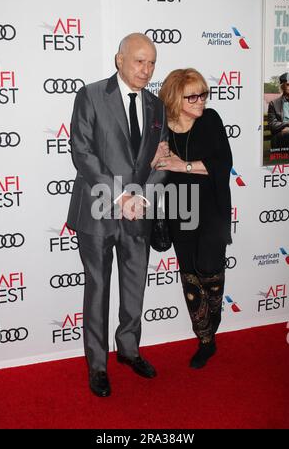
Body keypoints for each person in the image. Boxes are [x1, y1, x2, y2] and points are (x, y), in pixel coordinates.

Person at [67, 33, 169, 397]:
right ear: (119, 59)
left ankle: (128, 350)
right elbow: (82, 152)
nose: (146, 69)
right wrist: (120, 194)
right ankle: (97, 365)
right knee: (98, 288)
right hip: (98, 209)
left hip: (138, 211)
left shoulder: (157, 106)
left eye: (152, 62)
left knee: (134, 286)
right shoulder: (91, 95)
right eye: (139, 61)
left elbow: (161, 158)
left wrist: (139, 196)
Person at [154, 68, 232, 369]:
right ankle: (206, 340)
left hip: (211, 206)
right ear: (175, 98)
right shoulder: (163, 128)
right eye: (192, 96)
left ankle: (213, 320)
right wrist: (159, 158)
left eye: (203, 94)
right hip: (179, 207)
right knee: (190, 277)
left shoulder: (210, 120)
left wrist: (182, 165)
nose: (200, 101)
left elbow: (222, 164)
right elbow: (156, 167)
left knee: (211, 275)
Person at [268, 72, 289, 149]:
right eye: (288, 84)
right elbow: (272, 124)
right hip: (280, 137)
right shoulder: (274, 103)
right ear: (282, 86)